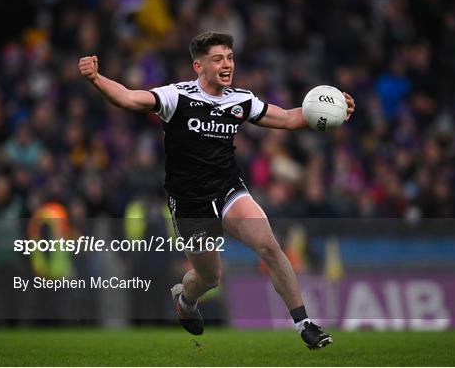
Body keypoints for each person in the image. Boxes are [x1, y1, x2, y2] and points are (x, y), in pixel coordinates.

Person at [79, 31, 355, 349]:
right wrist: (96, 78)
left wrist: (332, 111)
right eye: (218, 59)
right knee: (209, 278)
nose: (227, 64)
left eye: (230, 57)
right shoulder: (176, 97)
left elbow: (291, 118)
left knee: (268, 245)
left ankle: (304, 324)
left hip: (228, 191)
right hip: (190, 203)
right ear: (198, 67)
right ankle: (185, 300)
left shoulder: (241, 100)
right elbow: (128, 98)